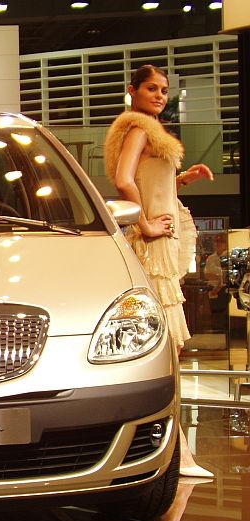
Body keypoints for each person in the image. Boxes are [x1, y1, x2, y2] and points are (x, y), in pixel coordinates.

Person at [104, 64, 214, 479]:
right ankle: (175, 451)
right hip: (152, 245)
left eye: (164, 90)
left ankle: (174, 449)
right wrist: (144, 224)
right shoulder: (138, 130)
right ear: (133, 90)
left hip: (161, 244)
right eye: (152, 88)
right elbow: (123, 179)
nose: (160, 95)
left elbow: (147, 182)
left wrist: (181, 179)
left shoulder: (148, 132)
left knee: (171, 348)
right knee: (167, 348)